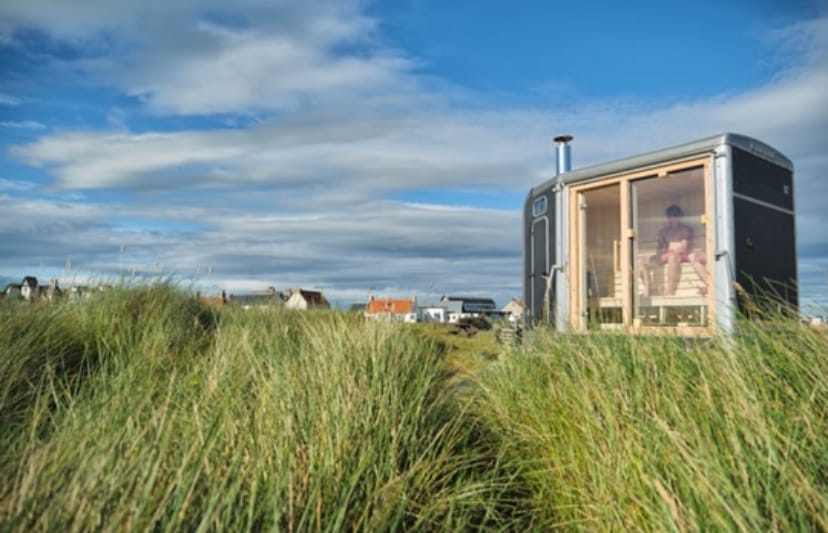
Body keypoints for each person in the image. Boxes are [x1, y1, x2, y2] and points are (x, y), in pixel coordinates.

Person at [637, 205, 706, 297]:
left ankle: (669, 292)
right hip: (665, 255)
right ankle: (648, 289)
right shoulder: (663, 232)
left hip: (681, 256)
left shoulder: (685, 229)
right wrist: (660, 255)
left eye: (675, 215)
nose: (673, 218)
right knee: (640, 260)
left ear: (680, 217)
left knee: (672, 258)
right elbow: (660, 248)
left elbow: (683, 247)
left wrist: (669, 253)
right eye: (670, 216)